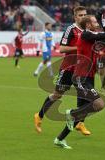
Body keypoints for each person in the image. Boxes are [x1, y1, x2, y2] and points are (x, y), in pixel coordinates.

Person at [54, 14, 105, 149]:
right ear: (87, 25)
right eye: (95, 22)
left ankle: (60, 139)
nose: (97, 24)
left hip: (89, 78)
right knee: (98, 104)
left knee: (83, 113)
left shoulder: (91, 37)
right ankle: (72, 113)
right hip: (81, 77)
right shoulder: (86, 35)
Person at [34, 6, 91, 137]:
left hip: (81, 69)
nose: (83, 17)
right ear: (75, 17)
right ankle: (39, 115)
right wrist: (79, 48)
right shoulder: (71, 29)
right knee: (57, 95)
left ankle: (80, 123)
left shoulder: (88, 30)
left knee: (85, 96)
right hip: (68, 69)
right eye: (81, 15)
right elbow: (62, 49)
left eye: (85, 15)